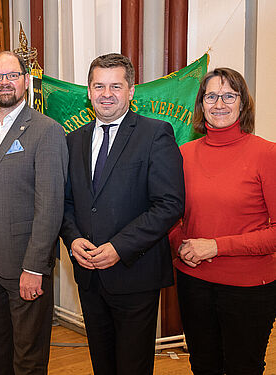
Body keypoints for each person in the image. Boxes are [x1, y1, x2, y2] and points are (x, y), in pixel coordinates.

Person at [59, 53, 185, 374]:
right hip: (89, 276)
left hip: (135, 274)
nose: (106, 93)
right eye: (98, 86)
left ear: (131, 91)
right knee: (103, 364)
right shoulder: (73, 141)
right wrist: (72, 240)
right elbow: (66, 203)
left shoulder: (155, 133)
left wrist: (119, 248)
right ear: (88, 91)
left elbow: (169, 204)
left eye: (116, 86)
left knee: (132, 367)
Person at [0, 51, 68, 374]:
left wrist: (36, 266)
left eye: (12, 75)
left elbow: (50, 204)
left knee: (28, 358)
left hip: (25, 264)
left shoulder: (46, 130)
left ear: (25, 80)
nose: (5, 82)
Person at [170, 67, 276, 374]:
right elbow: (169, 215)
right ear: (201, 104)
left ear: (243, 103)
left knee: (243, 367)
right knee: (203, 366)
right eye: (212, 96)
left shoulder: (266, 154)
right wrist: (180, 244)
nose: (220, 104)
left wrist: (215, 247)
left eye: (229, 95)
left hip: (248, 289)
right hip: (193, 282)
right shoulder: (183, 154)